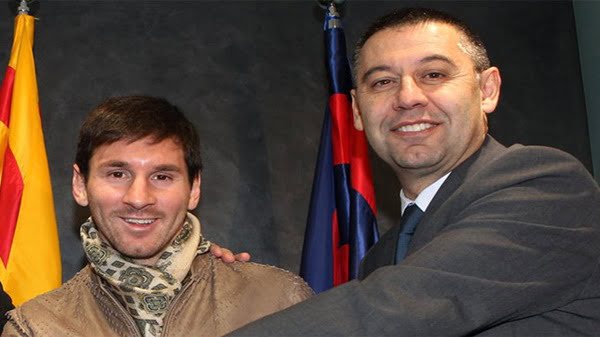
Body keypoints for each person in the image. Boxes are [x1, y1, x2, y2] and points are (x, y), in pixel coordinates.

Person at [228, 7, 600, 336]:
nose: (407, 97)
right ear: (357, 112)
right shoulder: (381, 257)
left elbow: (392, 310)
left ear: (487, 90)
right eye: (383, 82)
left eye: (434, 74)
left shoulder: (546, 188)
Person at [2, 96, 313, 336]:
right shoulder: (37, 327)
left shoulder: (278, 302)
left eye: (162, 177)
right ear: (80, 185)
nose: (139, 198)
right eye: (117, 173)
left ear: (194, 189)